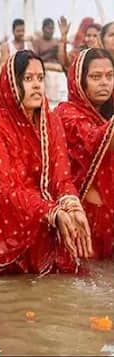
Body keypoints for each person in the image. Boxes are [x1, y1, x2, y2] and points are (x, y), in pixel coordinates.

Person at [0, 50, 92, 276]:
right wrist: (51, 211)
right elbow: (7, 188)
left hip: (43, 216)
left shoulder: (51, 121)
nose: (36, 86)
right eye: (28, 78)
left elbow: (61, 178)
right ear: (11, 83)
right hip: (5, 226)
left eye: (40, 78)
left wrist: (72, 206)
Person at [55, 48, 114, 259]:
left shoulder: (106, 114)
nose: (104, 83)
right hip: (87, 217)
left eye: (110, 76)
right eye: (96, 77)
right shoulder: (66, 113)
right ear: (79, 81)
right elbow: (95, 140)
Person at [33, 18, 65, 106]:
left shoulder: (56, 42)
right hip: (44, 70)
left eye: (52, 28)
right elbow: (35, 59)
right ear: (43, 29)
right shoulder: (37, 42)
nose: (50, 31)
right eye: (48, 28)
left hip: (57, 71)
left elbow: (61, 60)